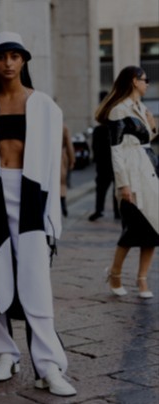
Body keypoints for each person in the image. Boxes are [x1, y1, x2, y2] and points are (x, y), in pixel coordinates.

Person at [0, 32, 76, 396]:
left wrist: (54, 217)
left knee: (36, 282)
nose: (8, 63)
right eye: (1, 57)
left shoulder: (45, 107)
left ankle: (48, 366)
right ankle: (4, 353)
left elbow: (55, 167)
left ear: (24, 61)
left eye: (15, 56)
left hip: (31, 197)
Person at [97, 66, 158, 298]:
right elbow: (117, 150)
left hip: (150, 171)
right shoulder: (118, 111)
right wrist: (123, 184)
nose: (148, 84)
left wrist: (152, 125)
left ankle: (142, 280)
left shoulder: (142, 108)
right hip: (132, 175)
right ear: (134, 81)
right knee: (132, 229)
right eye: (145, 80)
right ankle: (115, 274)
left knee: (154, 229)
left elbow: (145, 139)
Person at [89, 91, 120, 222]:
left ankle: (99, 210)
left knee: (102, 187)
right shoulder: (115, 111)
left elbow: (95, 147)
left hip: (105, 161)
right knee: (114, 188)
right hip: (112, 160)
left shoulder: (99, 128)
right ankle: (116, 212)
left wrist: (96, 159)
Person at [60, 124, 75, 217]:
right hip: (61, 158)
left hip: (47, 158)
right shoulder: (64, 127)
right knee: (61, 183)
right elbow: (69, 145)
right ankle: (63, 206)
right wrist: (72, 160)